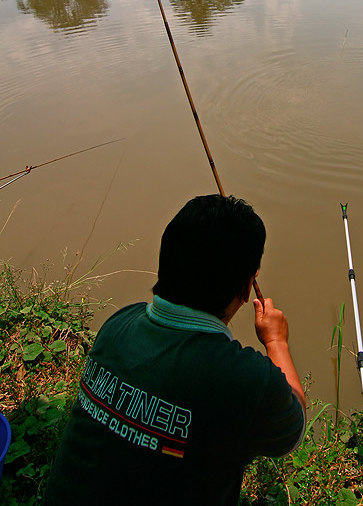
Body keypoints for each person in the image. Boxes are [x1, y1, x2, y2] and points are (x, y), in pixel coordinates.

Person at [43, 194, 305, 505]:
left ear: (164, 261)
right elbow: (294, 423)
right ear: (247, 288)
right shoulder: (244, 378)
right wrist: (277, 342)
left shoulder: (118, 324)